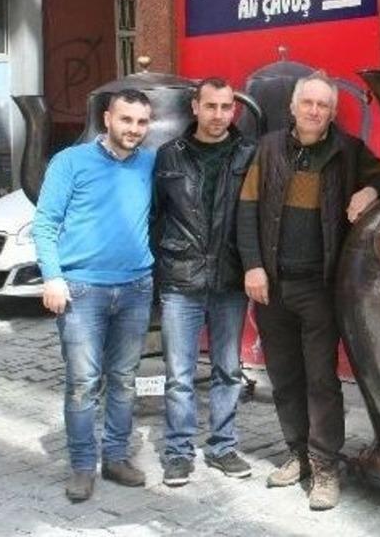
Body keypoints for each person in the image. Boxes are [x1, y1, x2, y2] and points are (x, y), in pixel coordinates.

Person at [236, 70, 380, 511]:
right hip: (273, 283)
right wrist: (252, 266)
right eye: (308, 103)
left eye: (324, 105)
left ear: (332, 112)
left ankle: (326, 466)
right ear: (293, 106)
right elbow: (247, 210)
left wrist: (367, 190)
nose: (315, 111)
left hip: (319, 287)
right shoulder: (267, 149)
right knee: (284, 376)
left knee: (322, 380)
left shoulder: (347, 150)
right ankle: (298, 453)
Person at [32, 89, 156, 503]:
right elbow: (46, 223)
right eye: (126, 120)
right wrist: (52, 277)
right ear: (107, 118)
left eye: (141, 123)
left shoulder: (150, 164)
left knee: (123, 378)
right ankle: (83, 465)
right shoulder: (70, 162)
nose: (134, 130)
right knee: (83, 382)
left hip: (137, 287)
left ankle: (117, 457)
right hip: (82, 290)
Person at [153, 77, 257, 487]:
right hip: (182, 278)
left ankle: (222, 446)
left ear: (235, 110)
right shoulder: (168, 157)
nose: (218, 115)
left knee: (228, 368)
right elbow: (154, 216)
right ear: (195, 107)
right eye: (210, 106)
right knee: (178, 373)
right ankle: (178, 452)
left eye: (225, 107)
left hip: (230, 278)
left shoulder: (249, 154)